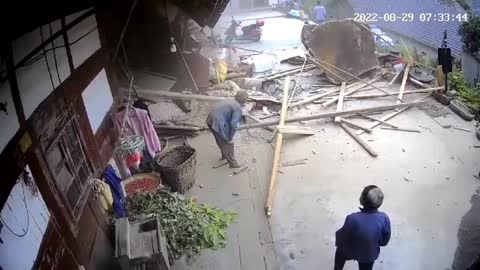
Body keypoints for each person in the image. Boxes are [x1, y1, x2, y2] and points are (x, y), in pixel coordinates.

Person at [334, 185, 391, 270]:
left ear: (362, 200)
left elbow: (342, 238)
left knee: (340, 251)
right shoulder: (384, 218)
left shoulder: (352, 218)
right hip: (369, 254)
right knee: (367, 263)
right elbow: (384, 242)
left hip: (352, 250)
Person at [206, 90, 248, 168]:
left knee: (220, 139)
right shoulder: (238, 108)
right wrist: (230, 137)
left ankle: (224, 156)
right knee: (229, 143)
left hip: (210, 119)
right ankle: (233, 163)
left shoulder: (230, 100)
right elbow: (233, 124)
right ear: (244, 101)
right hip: (217, 122)